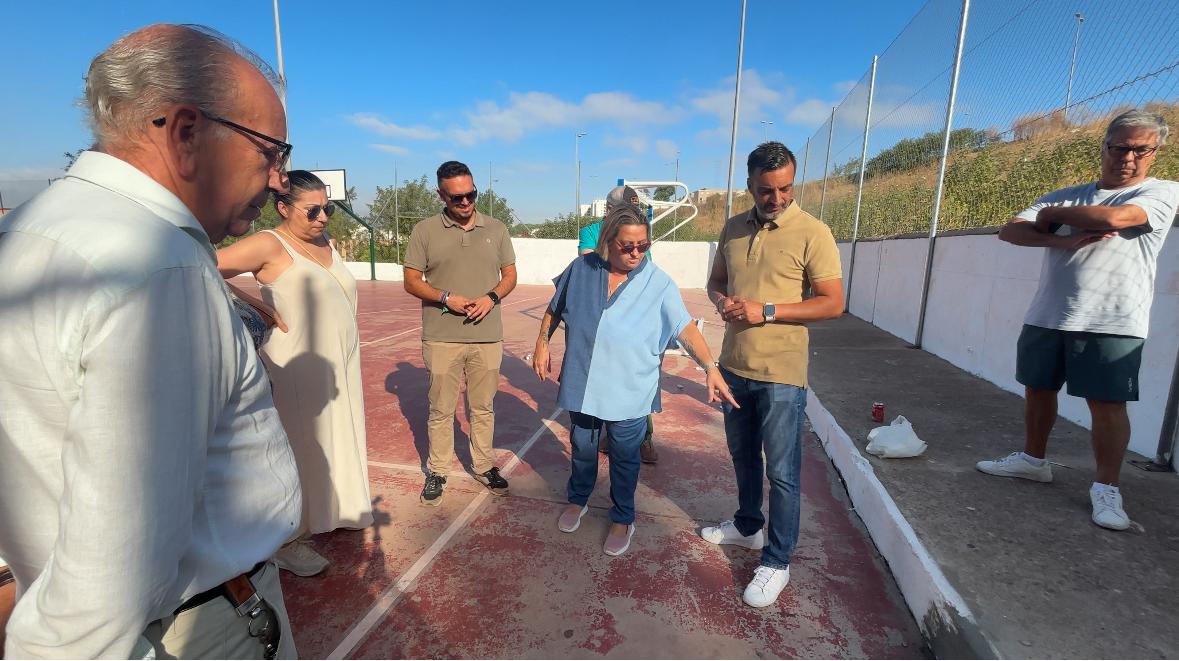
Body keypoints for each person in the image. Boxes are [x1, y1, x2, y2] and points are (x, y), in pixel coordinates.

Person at [0, 24, 301, 658]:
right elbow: (113, 565)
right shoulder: (158, 266)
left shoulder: (30, 232)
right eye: (271, 151)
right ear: (187, 133)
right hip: (196, 626)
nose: (280, 180)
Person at [976, 109, 1178, 531]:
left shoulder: (1161, 192)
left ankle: (1107, 488)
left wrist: (1053, 216)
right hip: (1049, 313)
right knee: (1038, 389)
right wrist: (1054, 238)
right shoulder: (1068, 193)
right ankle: (1033, 461)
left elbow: (1114, 219)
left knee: (1106, 404)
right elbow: (1010, 231)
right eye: (1121, 147)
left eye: (1141, 149)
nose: (1129, 157)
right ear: (1104, 146)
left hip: (1113, 320)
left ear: (1154, 153)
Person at [534, 205, 738, 555]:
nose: (635, 253)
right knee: (582, 447)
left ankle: (623, 517)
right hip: (583, 380)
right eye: (627, 245)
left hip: (631, 387)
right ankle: (578, 498)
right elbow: (555, 307)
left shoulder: (657, 282)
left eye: (643, 245)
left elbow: (684, 327)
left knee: (625, 456)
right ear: (608, 242)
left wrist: (710, 366)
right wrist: (541, 344)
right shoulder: (582, 269)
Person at [702, 141, 845, 608]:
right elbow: (716, 282)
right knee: (743, 458)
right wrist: (723, 303)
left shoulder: (813, 232)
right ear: (750, 186)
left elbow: (832, 303)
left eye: (785, 188)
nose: (777, 199)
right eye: (767, 190)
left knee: (783, 473)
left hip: (782, 374)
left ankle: (777, 561)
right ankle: (748, 527)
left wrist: (766, 310)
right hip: (734, 368)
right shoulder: (732, 227)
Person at [217, 170, 374, 576]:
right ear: (284, 207)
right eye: (313, 210)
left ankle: (333, 511)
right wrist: (255, 303)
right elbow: (205, 265)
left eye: (329, 208)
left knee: (337, 435)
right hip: (295, 367)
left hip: (339, 364)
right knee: (299, 446)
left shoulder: (327, 242)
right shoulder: (270, 243)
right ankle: (287, 539)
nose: (323, 217)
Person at [403, 161, 518, 505]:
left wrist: (492, 297)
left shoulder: (496, 229)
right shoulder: (424, 231)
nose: (466, 203)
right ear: (441, 195)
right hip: (441, 338)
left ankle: (483, 466)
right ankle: (437, 471)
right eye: (457, 198)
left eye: (470, 195)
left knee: (482, 408)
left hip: (487, 337)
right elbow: (411, 281)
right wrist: (444, 298)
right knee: (441, 409)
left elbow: (510, 275)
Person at [578, 184, 660, 464]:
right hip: (599, 317)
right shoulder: (591, 232)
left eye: (636, 209)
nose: (633, 214)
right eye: (627, 209)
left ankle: (644, 438)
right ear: (609, 211)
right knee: (595, 379)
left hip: (635, 319)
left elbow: (644, 270)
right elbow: (590, 265)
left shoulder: (637, 232)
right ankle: (604, 433)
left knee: (638, 381)